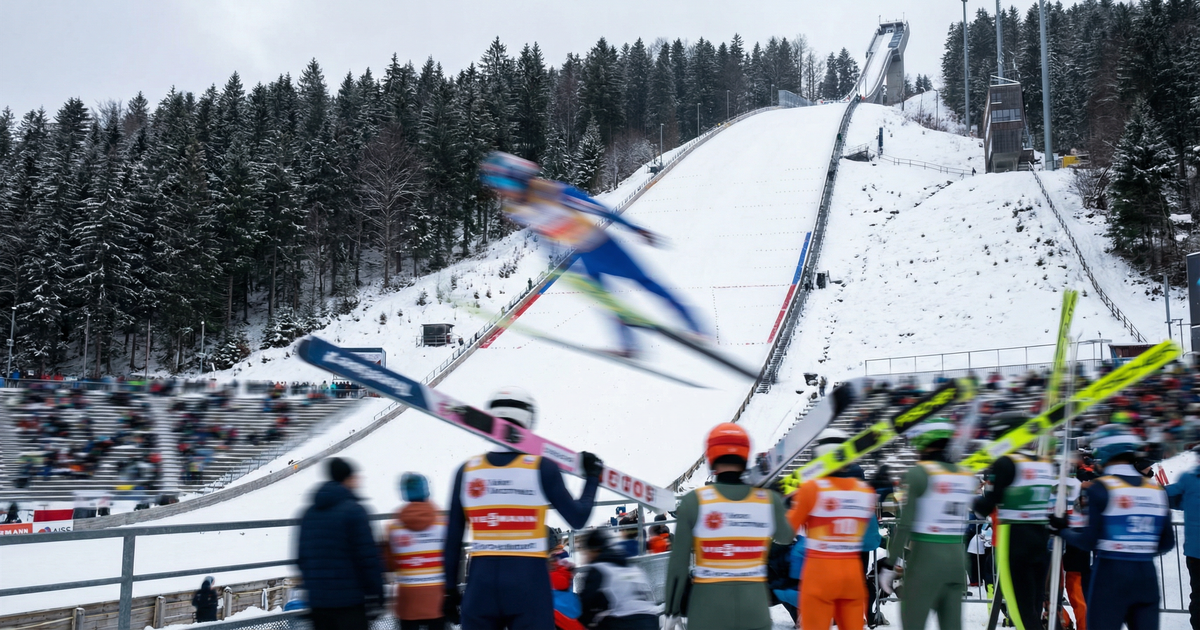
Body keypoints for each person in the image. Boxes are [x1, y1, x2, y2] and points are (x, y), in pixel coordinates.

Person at [479, 152, 703, 358]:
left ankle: (695, 327)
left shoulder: (553, 192)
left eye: (503, 185)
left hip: (604, 246)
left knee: (646, 283)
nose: (502, 192)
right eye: (498, 186)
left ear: (516, 179)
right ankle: (630, 346)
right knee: (606, 301)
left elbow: (598, 209)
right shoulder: (517, 209)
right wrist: (557, 263)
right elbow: (543, 233)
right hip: (584, 255)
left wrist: (635, 229)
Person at [443, 387, 604, 630]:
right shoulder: (541, 468)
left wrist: (448, 591)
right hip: (528, 584)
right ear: (527, 421)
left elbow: (452, 539)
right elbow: (578, 518)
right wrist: (593, 476)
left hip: (481, 584)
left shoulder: (466, 471)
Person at [664, 423, 793, 630]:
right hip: (754, 609)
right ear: (745, 455)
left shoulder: (694, 501)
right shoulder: (767, 500)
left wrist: (672, 610)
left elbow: (678, 565)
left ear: (711, 455)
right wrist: (781, 502)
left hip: (707, 610)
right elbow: (786, 537)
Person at [1053, 424, 1174, 630]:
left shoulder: (1101, 487)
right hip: (1146, 577)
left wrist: (1061, 530)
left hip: (1110, 575)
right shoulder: (1155, 488)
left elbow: (1088, 541)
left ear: (1103, 452)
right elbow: (1167, 543)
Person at [880, 421, 975, 630]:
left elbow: (905, 525)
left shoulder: (918, 473)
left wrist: (889, 563)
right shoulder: (965, 475)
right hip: (957, 562)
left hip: (925, 563)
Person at [788, 428, 877, 630]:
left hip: (819, 573)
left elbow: (785, 533)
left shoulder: (811, 489)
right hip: (852, 574)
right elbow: (872, 541)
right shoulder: (865, 491)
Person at [972, 412, 1053, 630]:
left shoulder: (1006, 462)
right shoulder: (1044, 464)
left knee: (1021, 613)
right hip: (1040, 539)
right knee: (1033, 607)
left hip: (1015, 541)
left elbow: (985, 506)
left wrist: (968, 498)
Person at [296, 457, 385, 630]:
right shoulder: (355, 512)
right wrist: (376, 594)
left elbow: (301, 559)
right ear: (348, 479)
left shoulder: (309, 513)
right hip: (350, 604)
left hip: (318, 604)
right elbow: (367, 559)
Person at [384, 472, 446, 630]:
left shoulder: (393, 527)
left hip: (408, 601)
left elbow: (391, 564)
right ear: (426, 491)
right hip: (437, 600)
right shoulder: (443, 524)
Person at [578, 528, 661, 630]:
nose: (585, 557)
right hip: (652, 621)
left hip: (626, 622)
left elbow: (585, 603)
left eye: (586, 552)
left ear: (595, 550)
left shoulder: (599, 569)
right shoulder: (632, 568)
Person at [1167, 444, 1200, 630]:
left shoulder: (1188, 480)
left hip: (1195, 553)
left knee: (1198, 597)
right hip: (1196, 553)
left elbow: (1165, 495)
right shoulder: (1188, 480)